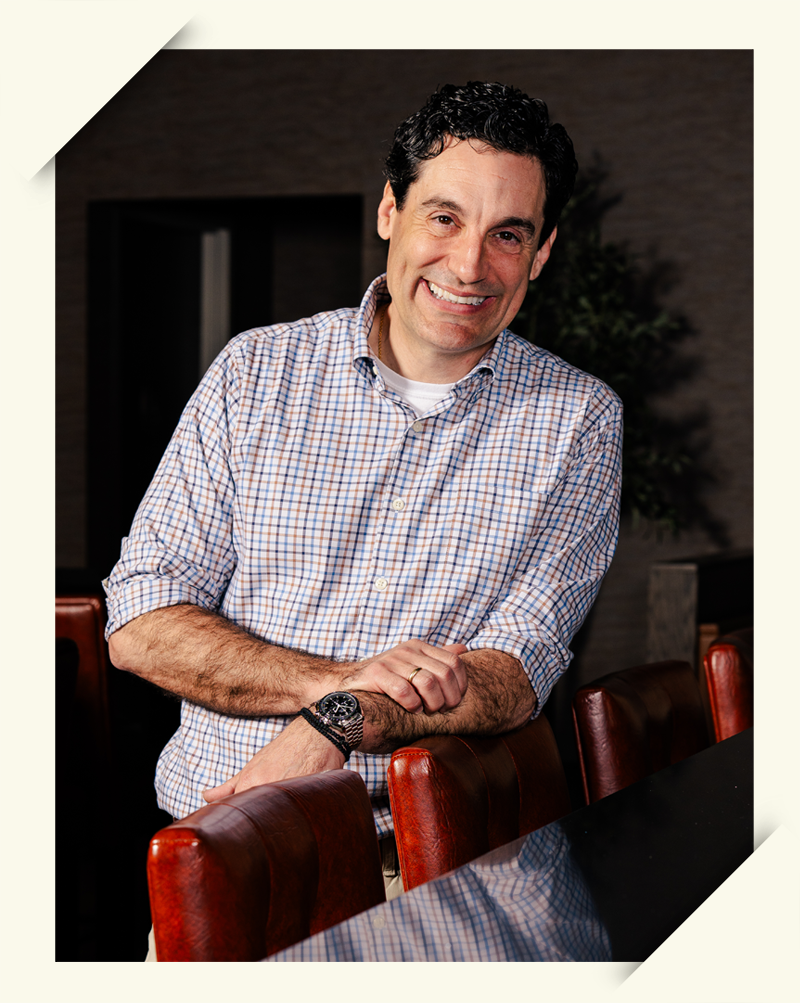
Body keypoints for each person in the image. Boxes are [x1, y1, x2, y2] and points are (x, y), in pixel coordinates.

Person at [104, 81, 622, 910]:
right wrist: (333, 684)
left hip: (443, 876)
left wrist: (342, 723)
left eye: (508, 234)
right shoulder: (254, 374)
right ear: (391, 210)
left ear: (543, 251)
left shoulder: (580, 420)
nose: (469, 266)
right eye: (444, 217)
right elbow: (138, 623)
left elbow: (515, 674)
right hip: (221, 848)